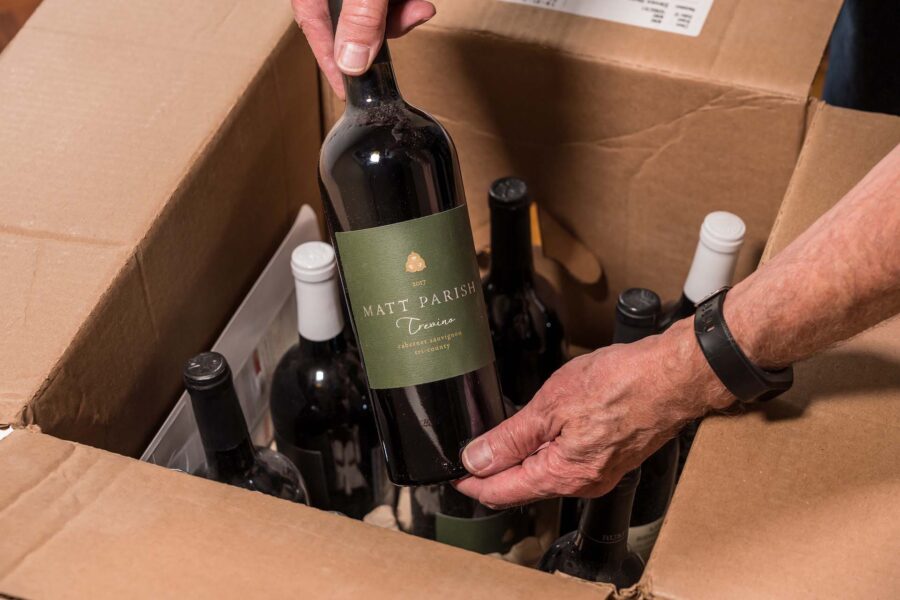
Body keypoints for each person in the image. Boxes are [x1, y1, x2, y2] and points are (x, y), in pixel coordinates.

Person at [292, 0, 900, 508]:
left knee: (869, 105)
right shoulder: (350, 151)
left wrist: (679, 374)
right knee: (871, 69)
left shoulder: (421, 139)